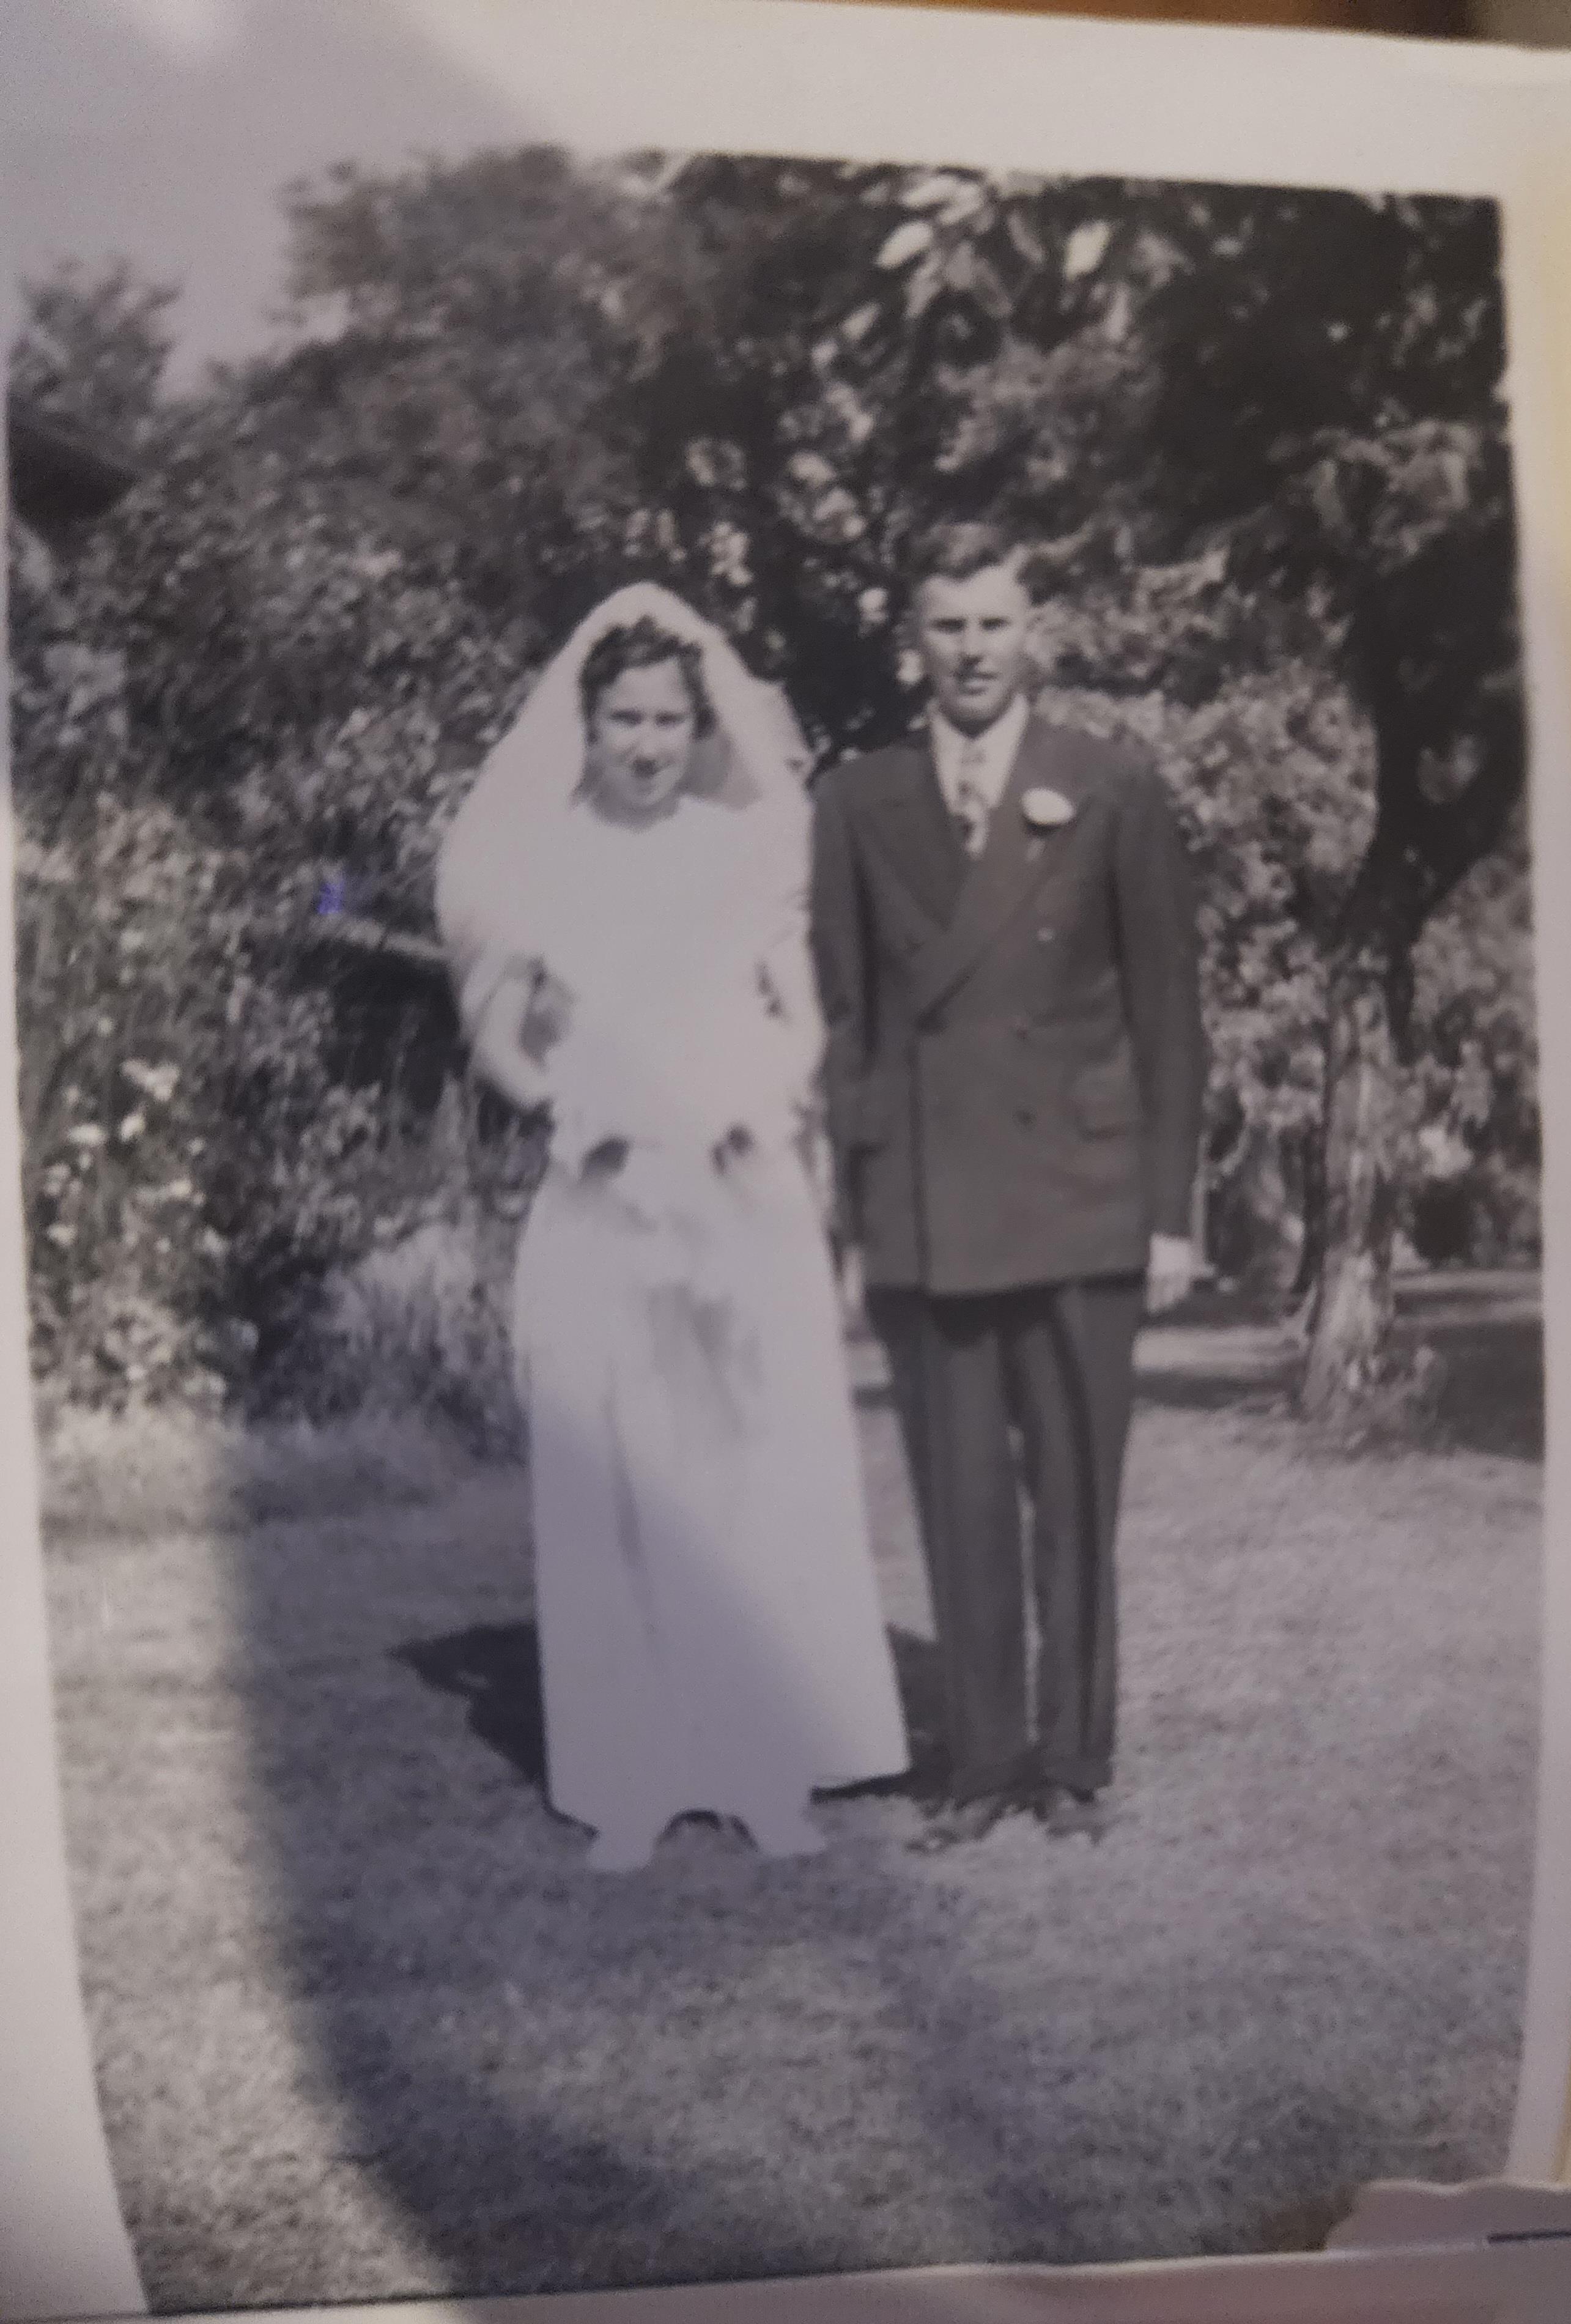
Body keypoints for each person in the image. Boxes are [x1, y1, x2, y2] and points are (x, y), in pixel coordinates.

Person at [437, 582, 907, 1872]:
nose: (645, 742)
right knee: (625, 1478)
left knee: (750, 1473)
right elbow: (492, 1041)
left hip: (735, 1174)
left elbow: (802, 1013)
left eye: (666, 719)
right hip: (603, 1185)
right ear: (583, 724)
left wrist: (766, 1096)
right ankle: (633, 1774)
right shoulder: (537, 857)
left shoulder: (747, 846)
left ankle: (763, 1769)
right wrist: (567, 1104)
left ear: (701, 725)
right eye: (622, 719)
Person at [809, 522, 1205, 1849]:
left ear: (1032, 631)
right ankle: (982, 1763)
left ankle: (1074, 1758)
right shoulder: (855, 799)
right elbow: (851, 1023)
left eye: (992, 623)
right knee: (960, 1490)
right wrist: (859, 1218)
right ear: (909, 638)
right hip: (929, 1203)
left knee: (1076, 1497)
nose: (971, 651)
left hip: (1083, 1191)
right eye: (946, 625)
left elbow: (1169, 1012)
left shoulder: (1110, 784)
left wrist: (1167, 1214)